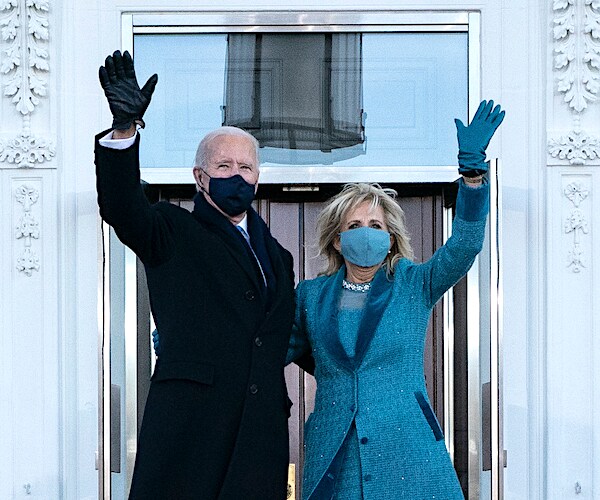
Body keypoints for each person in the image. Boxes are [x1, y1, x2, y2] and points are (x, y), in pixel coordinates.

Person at [95, 50, 299, 499]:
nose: (236, 176)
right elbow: (122, 207)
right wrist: (125, 129)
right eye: (223, 166)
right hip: (189, 435)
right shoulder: (172, 230)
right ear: (200, 177)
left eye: (246, 167)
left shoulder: (279, 258)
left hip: (258, 441)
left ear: (258, 178)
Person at [287, 100, 505, 499]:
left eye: (375, 225)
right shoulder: (310, 297)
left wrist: (473, 177)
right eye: (354, 225)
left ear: (389, 240)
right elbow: (266, 348)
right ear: (338, 240)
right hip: (336, 456)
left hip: (407, 452)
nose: (365, 232)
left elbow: (465, 246)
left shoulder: (413, 283)